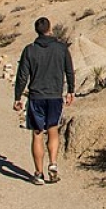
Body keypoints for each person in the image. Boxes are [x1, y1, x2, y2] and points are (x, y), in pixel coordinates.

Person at [13, 17, 75, 185]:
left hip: (36, 97)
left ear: (36, 31)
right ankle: (53, 165)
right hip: (55, 96)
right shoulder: (61, 49)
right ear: (50, 29)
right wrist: (71, 91)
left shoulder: (30, 50)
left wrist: (18, 96)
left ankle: (39, 173)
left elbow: (22, 76)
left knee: (37, 134)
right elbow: (69, 71)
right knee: (53, 130)